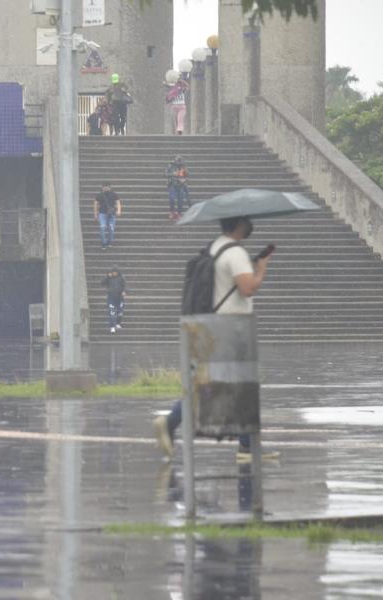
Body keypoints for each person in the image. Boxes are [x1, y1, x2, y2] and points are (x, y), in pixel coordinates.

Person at [153, 216, 278, 462]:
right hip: (230, 329)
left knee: (233, 389)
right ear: (239, 225)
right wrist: (261, 268)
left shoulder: (216, 247)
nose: (251, 225)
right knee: (231, 388)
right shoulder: (236, 253)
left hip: (214, 326)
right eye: (247, 221)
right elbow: (248, 288)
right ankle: (170, 421)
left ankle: (246, 445)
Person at [93, 182, 122, 250]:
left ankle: (109, 241)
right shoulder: (99, 195)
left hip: (111, 214)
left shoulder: (114, 194)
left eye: (107, 186)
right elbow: (95, 204)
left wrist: (119, 210)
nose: (106, 188)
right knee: (102, 228)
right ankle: (103, 243)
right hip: (102, 214)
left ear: (110, 187)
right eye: (104, 186)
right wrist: (95, 214)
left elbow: (118, 202)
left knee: (111, 229)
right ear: (102, 187)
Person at [102, 266, 126, 334]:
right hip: (111, 297)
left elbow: (125, 285)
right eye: (113, 272)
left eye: (116, 272)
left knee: (120, 312)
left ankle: (118, 323)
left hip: (119, 297)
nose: (114, 273)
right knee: (112, 311)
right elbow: (102, 283)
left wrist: (124, 291)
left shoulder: (121, 278)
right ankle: (112, 326)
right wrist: (107, 276)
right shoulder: (109, 278)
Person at [166, 155, 191, 220]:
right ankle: (172, 212)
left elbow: (187, 176)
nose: (179, 163)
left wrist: (184, 180)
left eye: (180, 161)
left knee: (180, 200)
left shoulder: (183, 167)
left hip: (181, 185)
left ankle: (179, 213)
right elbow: (166, 174)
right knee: (172, 199)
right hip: (172, 185)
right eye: (177, 161)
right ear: (175, 160)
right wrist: (173, 174)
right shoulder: (170, 166)